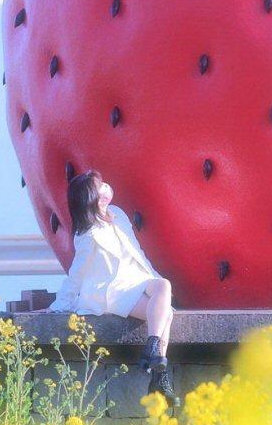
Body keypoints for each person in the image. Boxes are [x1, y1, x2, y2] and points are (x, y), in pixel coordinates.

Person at [48, 170, 177, 402]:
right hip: (113, 290)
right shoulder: (87, 235)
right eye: (101, 186)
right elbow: (76, 274)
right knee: (164, 313)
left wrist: (151, 276)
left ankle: (153, 348)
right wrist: (59, 305)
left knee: (163, 286)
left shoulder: (117, 214)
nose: (107, 187)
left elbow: (136, 251)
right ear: (93, 198)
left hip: (136, 278)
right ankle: (159, 373)